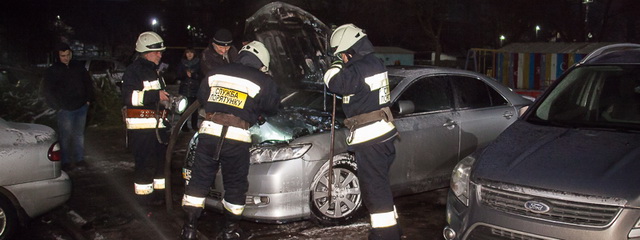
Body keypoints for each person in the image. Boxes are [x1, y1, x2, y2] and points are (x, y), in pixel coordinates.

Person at [180, 41, 280, 240]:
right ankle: (229, 231)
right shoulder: (263, 79)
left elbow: (202, 96)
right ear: (262, 62)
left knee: (199, 180)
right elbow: (273, 107)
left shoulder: (217, 72)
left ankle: (189, 229)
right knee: (235, 185)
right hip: (236, 138)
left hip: (208, 133)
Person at [322, 24, 400, 240]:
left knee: (375, 192)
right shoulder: (371, 64)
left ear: (349, 50)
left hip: (372, 138)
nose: (343, 60)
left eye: (342, 56)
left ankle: (385, 235)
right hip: (379, 137)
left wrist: (334, 65)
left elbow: (335, 83)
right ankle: (392, 230)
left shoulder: (362, 67)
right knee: (380, 188)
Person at [121, 31, 170, 207]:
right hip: (142, 130)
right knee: (144, 166)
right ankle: (143, 202)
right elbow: (129, 98)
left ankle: (160, 197)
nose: (160, 55)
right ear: (146, 52)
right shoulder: (133, 71)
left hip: (158, 128)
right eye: (157, 52)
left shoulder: (154, 71)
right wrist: (155, 95)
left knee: (160, 165)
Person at [43, 42, 94, 171]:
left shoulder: (78, 67)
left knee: (79, 135)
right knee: (65, 136)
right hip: (65, 109)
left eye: (67, 54)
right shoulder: (53, 70)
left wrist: (87, 100)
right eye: (62, 55)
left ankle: (79, 159)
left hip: (81, 106)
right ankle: (65, 161)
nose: (66, 58)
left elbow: (88, 83)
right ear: (58, 56)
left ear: (71, 53)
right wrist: (57, 106)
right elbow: (48, 90)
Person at [177, 47, 202, 132]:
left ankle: (194, 125)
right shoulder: (182, 63)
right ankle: (184, 126)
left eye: (191, 52)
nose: (189, 54)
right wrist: (185, 74)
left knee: (194, 109)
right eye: (187, 52)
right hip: (184, 88)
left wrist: (193, 75)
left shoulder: (199, 63)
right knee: (184, 108)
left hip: (195, 88)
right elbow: (178, 75)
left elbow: (201, 75)